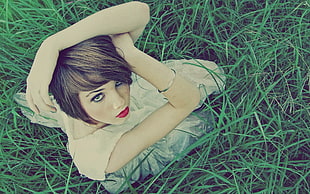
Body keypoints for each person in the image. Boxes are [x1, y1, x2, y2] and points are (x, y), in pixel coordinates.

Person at [14, 1, 225, 193]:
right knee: (192, 120)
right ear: (68, 104)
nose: (119, 102)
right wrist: (130, 56)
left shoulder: (78, 82)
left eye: (118, 82)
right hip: (124, 150)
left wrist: (52, 44)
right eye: (97, 97)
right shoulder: (99, 154)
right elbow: (188, 100)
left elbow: (140, 12)